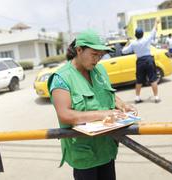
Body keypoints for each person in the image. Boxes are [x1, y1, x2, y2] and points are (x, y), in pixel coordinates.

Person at [48, 29, 138, 180]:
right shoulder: (61, 78)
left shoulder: (99, 70)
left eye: (101, 56)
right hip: (84, 154)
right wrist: (104, 114)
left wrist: (122, 104)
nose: (97, 60)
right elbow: (65, 115)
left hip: (106, 147)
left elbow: (107, 94)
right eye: (94, 54)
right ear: (79, 50)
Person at [122, 19, 160, 104]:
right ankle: (156, 97)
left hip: (140, 62)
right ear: (142, 34)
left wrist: (128, 42)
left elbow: (124, 51)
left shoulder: (133, 43)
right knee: (153, 79)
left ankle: (137, 98)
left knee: (139, 80)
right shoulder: (147, 39)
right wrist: (156, 23)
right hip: (149, 60)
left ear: (135, 35)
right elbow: (154, 31)